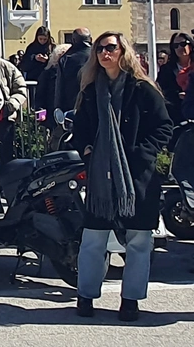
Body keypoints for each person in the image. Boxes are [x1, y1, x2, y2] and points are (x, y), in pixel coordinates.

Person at [73, 32, 173, 321]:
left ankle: (130, 300)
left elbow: (163, 126)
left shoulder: (143, 89)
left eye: (111, 48)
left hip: (137, 177)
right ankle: (86, 296)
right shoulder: (91, 90)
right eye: (100, 49)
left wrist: (142, 153)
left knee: (139, 242)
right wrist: (88, 150)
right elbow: (80, 128)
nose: (105, 53)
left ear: (122, 52)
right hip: (102, 175)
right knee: (93, 239)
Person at [156, 32, 193, 125]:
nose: (180, 48)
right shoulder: (167, 69)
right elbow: (161, 90)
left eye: (183, 44)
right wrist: (177, 95)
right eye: (176, 45)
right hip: (176, 115)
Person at [55, 28, 92, 115]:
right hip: (97, 103)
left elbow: (60, 87)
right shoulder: (99, 55)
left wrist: (58, 109)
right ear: (91, 39)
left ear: (73, 40)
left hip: (72, 106)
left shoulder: (66, 58)